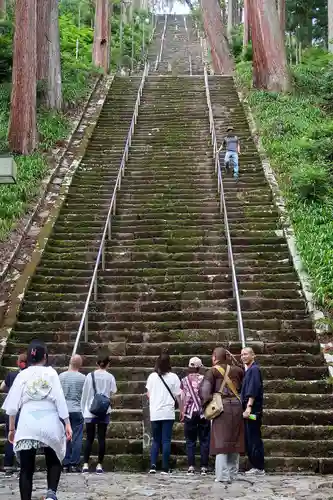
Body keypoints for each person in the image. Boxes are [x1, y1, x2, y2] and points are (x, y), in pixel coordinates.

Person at [2, 340, 72, 500]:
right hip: (50, 421)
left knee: (26, 469)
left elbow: (12, 406)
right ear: (45, 357)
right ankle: (51, 494)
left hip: (28, 422)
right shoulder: (52, 373)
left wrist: (12, 429)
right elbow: (60, 400)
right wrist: (67, 423)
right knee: (54, 458)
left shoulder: (22, 375)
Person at [200, 347, 244, 484]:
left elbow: (205, 392)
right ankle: (233, 474)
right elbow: (244, 387)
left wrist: (205, 406)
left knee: (221, 442)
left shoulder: (212, 371)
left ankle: (222, 476)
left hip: (221, 408)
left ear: (214, 357)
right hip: (237, 407)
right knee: (235, 441)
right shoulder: (238, 370)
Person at [81, 351, 117, 474]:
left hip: (90, 410)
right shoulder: (110, 377)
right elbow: (113, 391)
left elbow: (85, 393)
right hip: (104, 410)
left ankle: (85, 464)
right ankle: (99, 465)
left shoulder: (90, 376)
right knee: (101, 438)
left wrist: (83, 408)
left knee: (89, 438)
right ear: (108, 364)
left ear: (97, 363)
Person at [146, 353, 181, 475]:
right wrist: (181, 409)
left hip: (155, 412)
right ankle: (165, 467)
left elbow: (149, 394)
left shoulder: (152, 377)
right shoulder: (174, 377)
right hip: (168, 412)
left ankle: (153, 465)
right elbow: (178, 395)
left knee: (156, 440)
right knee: (166, 440)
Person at [180, 356, 210, 476]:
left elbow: (182, 397)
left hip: (189, 413)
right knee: (204, 440)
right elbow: (208, 395)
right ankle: (204, 467)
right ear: (200, 367)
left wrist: (182, 411)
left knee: (190, 441)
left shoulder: (184, 381)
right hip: (203, 412)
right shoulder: (206, 380)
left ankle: (191, 466)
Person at [0, 352, 27, 477]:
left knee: (10, 437)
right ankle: (23, 463)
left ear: (18, 362)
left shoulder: (11, 374)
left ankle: (8, 465)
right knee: (24, 437)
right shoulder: (30, 375)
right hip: (24, 409)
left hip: (11, 408)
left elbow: (2, 387)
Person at [240, 347, 265, 476]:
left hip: (252, 409)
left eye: (246, 354)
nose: (243, 356)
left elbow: (253, 389)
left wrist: (249, 406)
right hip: (249, 408)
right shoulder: (249, 370)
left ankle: (258, 466)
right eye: (241, 354)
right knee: (250, 436)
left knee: (253, 436)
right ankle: (255, 465)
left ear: (253, 355)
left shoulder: (254, 370)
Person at [59, 354, 86, 472]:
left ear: (70, 362)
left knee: (64, 436)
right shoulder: (83, 378)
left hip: (64, 411)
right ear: (80, 365)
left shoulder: (61, 376)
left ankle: (65, 463)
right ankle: (74, 463)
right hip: (77, 409)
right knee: (77, 437)